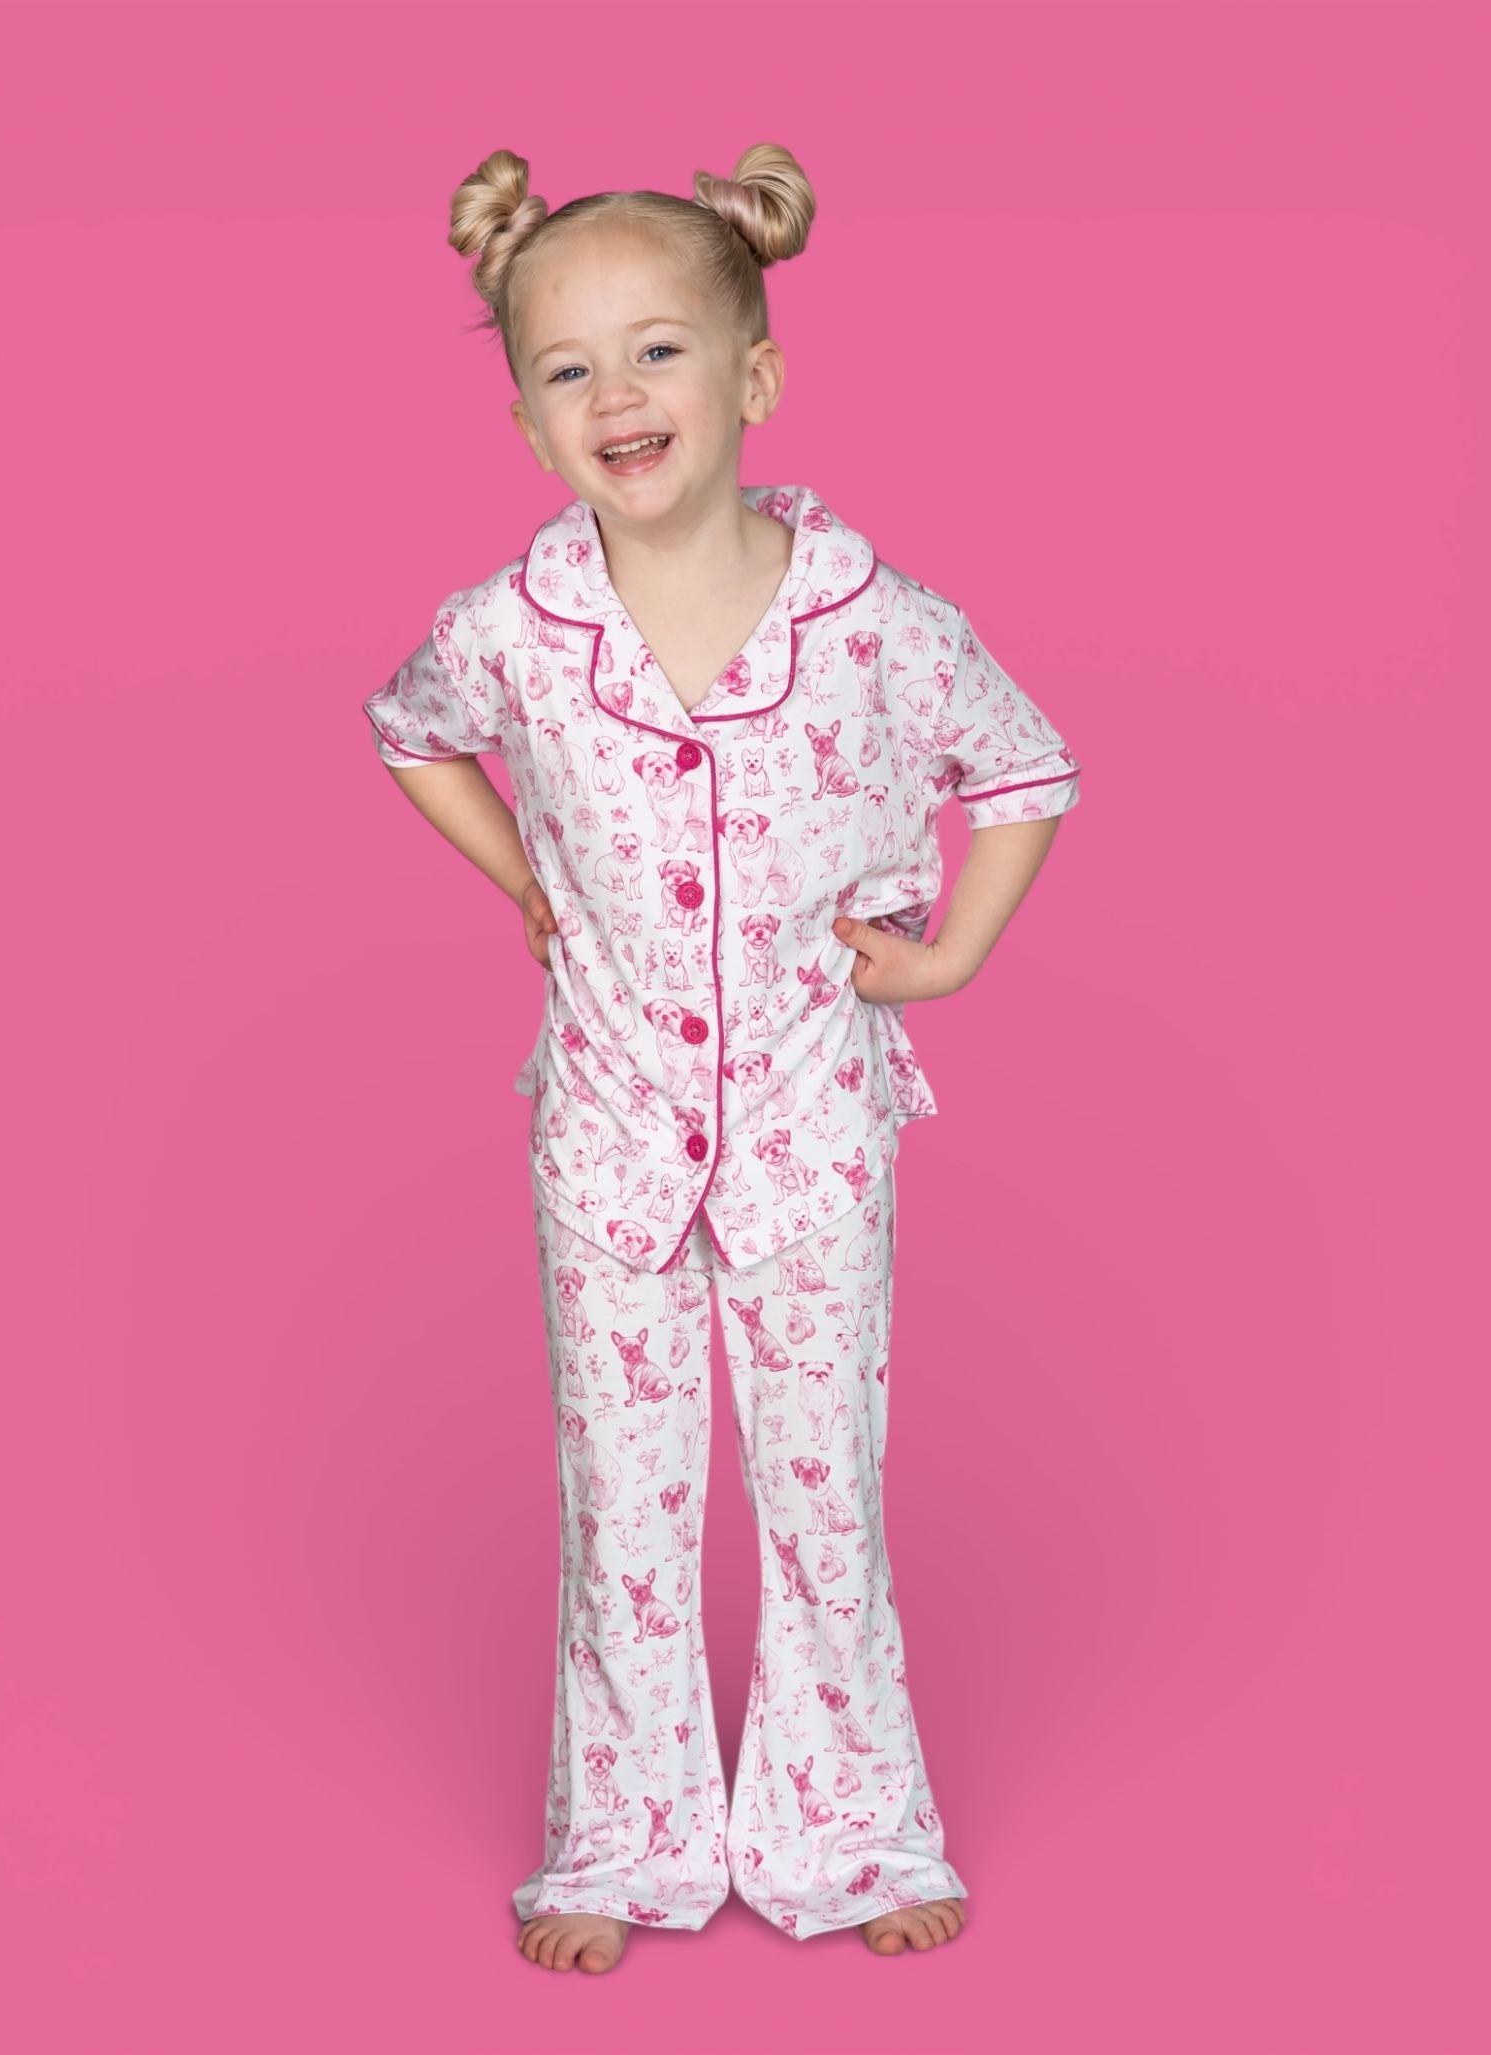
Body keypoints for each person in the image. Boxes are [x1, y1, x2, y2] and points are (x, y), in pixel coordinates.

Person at [361, 144, 1083, 1974]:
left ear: (755, 375)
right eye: (569, 367)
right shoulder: (514, 633)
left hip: (812, 1135)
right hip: (608, 1135)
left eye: (660, 351)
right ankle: (621, 1839)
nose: (618, 394)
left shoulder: (874, 623)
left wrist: (946, 957)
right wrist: (526, 879)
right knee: (624, 1501)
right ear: (526, 422)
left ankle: (853, 1830)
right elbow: (412, 732)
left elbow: (1022, 768)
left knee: (825, 1493)